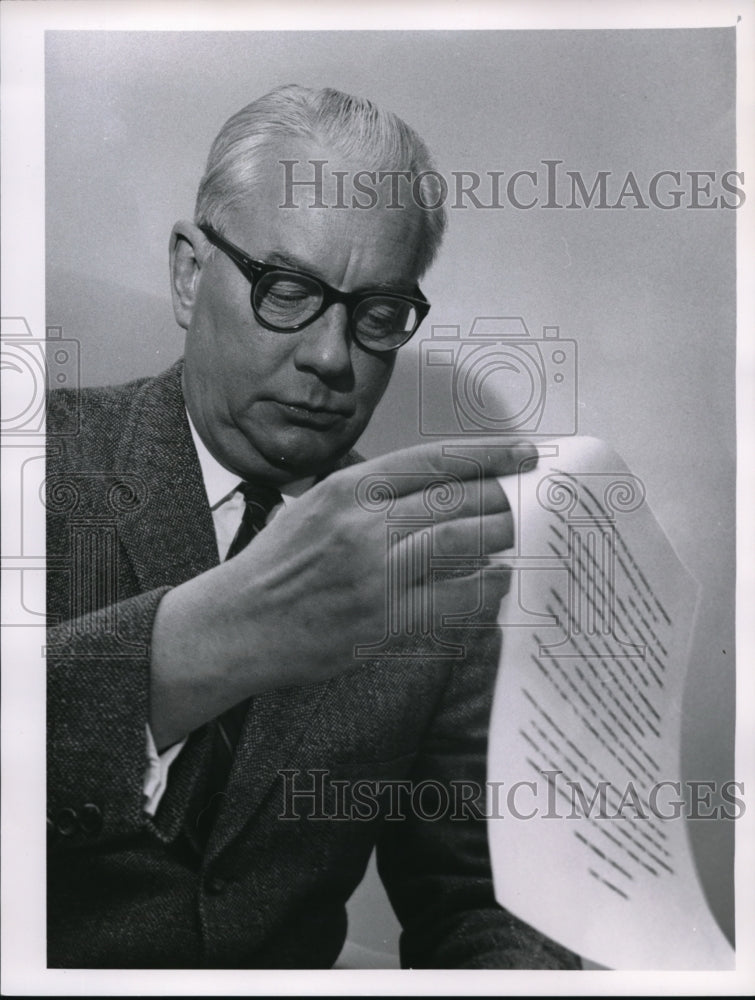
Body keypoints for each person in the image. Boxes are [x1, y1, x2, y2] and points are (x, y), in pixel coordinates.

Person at [46, 83, 581, 970]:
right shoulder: (34, 461)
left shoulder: (424, 563)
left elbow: (473, 898)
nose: (331, 357)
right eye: (287, 289)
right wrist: (203, 644)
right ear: (188, 272)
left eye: (376, 316)